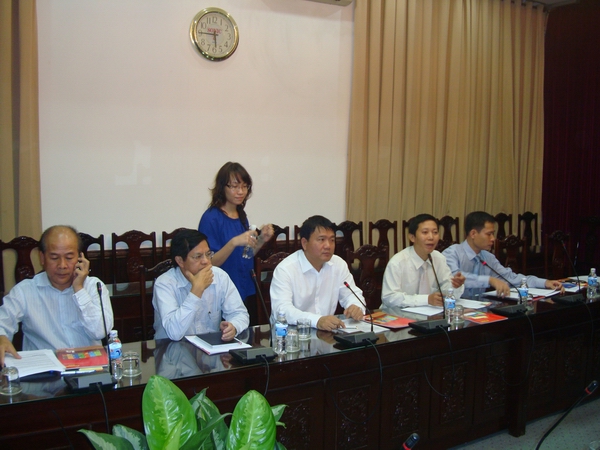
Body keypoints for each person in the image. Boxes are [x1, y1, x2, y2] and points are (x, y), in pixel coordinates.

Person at [0, 225, 114, 366]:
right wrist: (1, 337)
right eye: (54, 258)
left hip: (89, 369)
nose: (62, 265)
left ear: (80, 258)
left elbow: (100, 332)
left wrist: (79, 289)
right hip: (45, 371)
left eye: (69, 257)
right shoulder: (24, 291)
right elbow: (2, 321)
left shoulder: (94, 286)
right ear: (42, 258)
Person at [198, 162, 274, 324]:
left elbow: (246, 254)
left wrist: (262, 239)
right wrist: (233, 242)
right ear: (222, 187)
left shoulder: (241, 215)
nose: (240, 192)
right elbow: (208, 263)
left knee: (246, 331)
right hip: (221, 291)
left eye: (244, 187)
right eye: (234, 186)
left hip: (244, 286)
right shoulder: (211, 218)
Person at [270, 215, 366, 332]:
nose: (328, 246)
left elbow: (352, 294)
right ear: (304, 243)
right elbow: (282, 310)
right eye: (321, 240)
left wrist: (355, 306)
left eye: (332, 240)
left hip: (326, 333)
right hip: (289, 334)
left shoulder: (338, 264)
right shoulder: (285, 269)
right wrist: (317, 321)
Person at [152, 229, 249, 342]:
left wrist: (234, 326)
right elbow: (174, 333)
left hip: (209, 347)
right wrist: (196, 291)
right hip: (170, 349)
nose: (206, 261)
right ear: (180, 261)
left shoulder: (219, 276)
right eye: (198, 256)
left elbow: (240, 313)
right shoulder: (164, 284)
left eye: (208, 254)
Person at [442, 211, 563, 299]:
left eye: (493, 234)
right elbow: (455, 278)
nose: (493, 238)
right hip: (453, 310)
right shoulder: (451, 253)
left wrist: (545, 283)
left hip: (479, 310)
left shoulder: (488, 257)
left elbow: (511, 278)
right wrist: (489, 280)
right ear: (473, 233)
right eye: (489, 234)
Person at [381, 214, 465, 308]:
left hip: (429, 313)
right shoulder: (397, 262)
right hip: (397, 314)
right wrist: (427, 299)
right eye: (425, 232)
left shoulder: (439, 258)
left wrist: (455, 286)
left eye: (435, 232)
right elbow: (389, 298)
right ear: (412, 237)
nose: (431, 237)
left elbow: (445, 289)